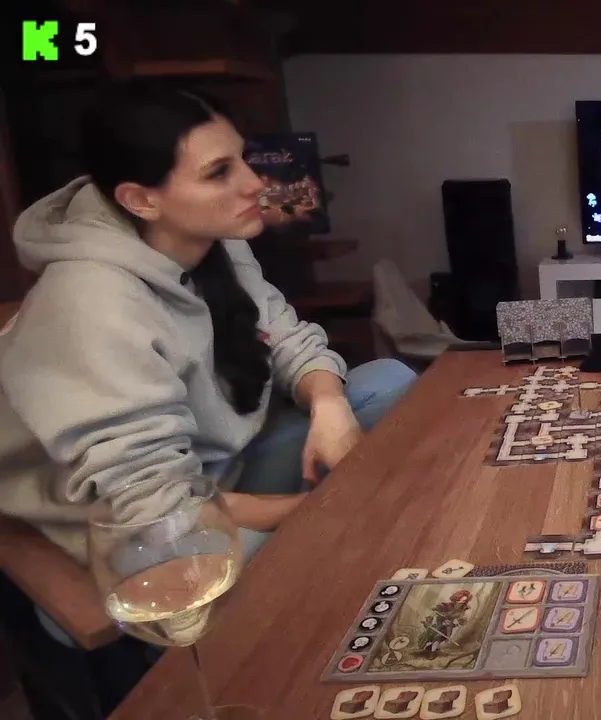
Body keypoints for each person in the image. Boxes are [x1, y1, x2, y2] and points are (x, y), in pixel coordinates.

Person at [0, 79, 418, 578]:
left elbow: (286, 338)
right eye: (219, 172)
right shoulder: (88, 303)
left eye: (244, 159)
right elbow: (157, 505)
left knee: (389, 380)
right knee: (310, 566)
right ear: (141, 200)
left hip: (223, 467)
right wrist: (330, 509)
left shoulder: (211, 233)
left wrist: (328, 404)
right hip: (140, 524)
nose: (255, 183)